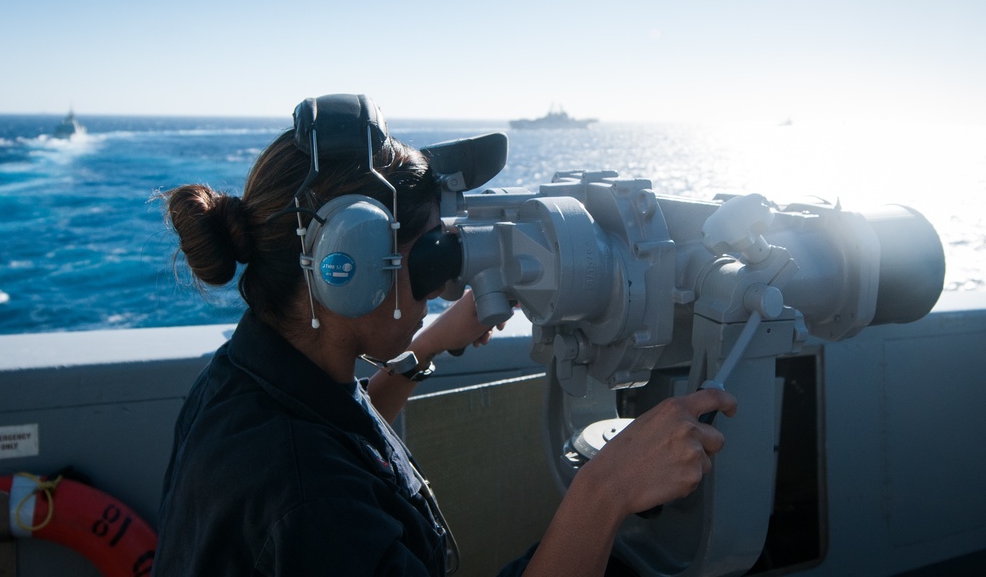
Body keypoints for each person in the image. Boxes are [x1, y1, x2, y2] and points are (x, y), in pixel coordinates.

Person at [152, 94, 736, 576]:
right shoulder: (309, 504)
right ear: (346, 268)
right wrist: (605, 491)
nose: (445, 285)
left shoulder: (247, 379)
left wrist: (426, 345)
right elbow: (321, 483)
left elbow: (340, 432)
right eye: (430, 254)